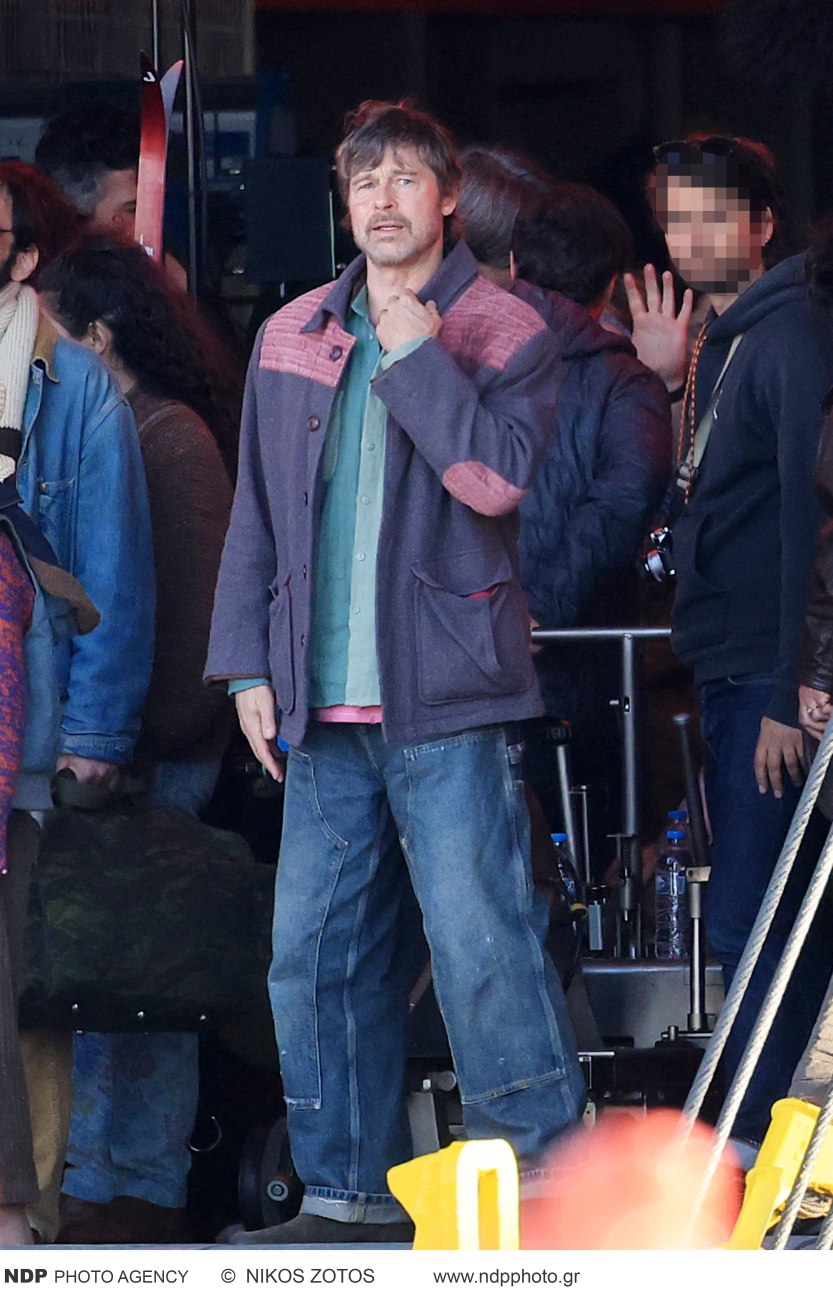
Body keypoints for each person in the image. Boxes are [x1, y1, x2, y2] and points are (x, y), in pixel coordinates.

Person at [205, 99, 586, 1245]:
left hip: (449, 691)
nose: (381, 199)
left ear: (448, 196)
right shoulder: (292, 332)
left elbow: (495, 483)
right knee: (310, 958)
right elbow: (254, 516)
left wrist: (419, 354)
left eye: (405, 178)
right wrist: (244, 668)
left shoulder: (506, 327)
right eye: (363, 180)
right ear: (343, 197)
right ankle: (345, 1194)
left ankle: (543, 1184)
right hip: (320, 702)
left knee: (481, 946)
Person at [624, 135, 833, 1145]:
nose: (689, 236)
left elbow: (809, 514)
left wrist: (793, 687)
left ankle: (759, 1142)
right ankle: (772, 1137)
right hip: (738, 663)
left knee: (761, 915)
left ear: (762, 224)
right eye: (675, 217)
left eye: (712, 214)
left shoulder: (788, 333)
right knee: (761, 912)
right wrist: (671, 384)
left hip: (765, 671)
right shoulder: (729, 336)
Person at [39, 234, 236, 1244]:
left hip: (155, 756)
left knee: (145, 980)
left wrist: (123, 743)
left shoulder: (169, 437)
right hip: (118, 748)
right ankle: (97, 1184)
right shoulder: (117, 426)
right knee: (103, 977)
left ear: (100, 333)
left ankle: (136, 1193)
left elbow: (195, 630)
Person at [0, 161, 155, 1243]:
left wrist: (94, 737)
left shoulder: (73, 382)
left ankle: (35, 1225)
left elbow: (113, 570)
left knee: (29, 990)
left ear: (20, 257)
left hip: (25, 722)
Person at [456, 148, 671, 871]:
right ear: (611, 282)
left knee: (478, 860)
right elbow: (627, 497)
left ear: (513, 263)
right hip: (587, 665)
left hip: (463, 657)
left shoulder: (455, 359)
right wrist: (543, 610)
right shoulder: (625, 382)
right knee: (594, 865)